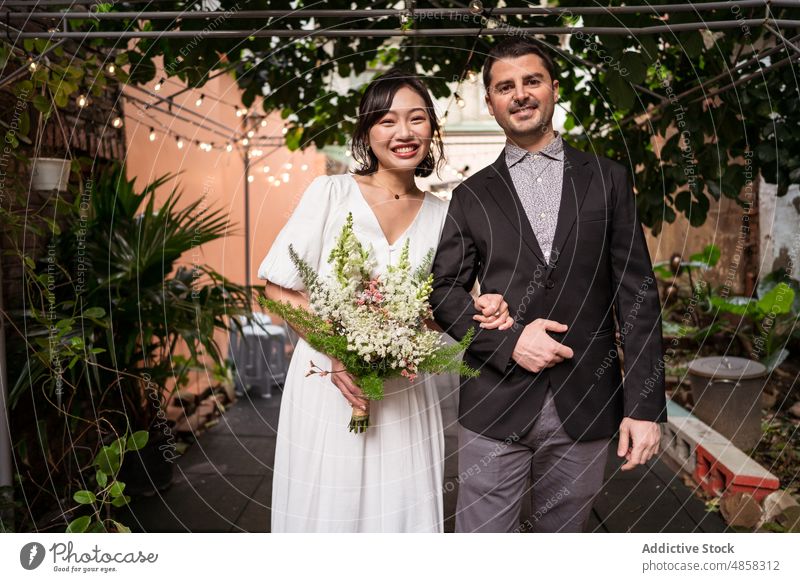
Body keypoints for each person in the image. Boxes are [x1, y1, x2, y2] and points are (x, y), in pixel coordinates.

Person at [257, 69, 513, 532]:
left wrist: (487, 308)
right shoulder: (330, 194)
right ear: (367, 130)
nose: (404, 132)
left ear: (432, 131)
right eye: (388, 120)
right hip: (328, 387)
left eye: (417, 119)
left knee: (401, 508)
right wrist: (340, 353)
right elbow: (277, 288)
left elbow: (443, 310)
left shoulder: (444, 214)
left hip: (406, 388)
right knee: (326, 508)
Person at [429, 38, 667, 533]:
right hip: (495, 400)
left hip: (586, 398)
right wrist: (510, 343)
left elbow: (638, 298)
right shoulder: (471, 195)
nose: (520, 94)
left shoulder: (608, 179)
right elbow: (444, 293)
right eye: (504, 87)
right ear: (491, 102)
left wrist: (645, 407)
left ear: (554, 90)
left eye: (531, 81)